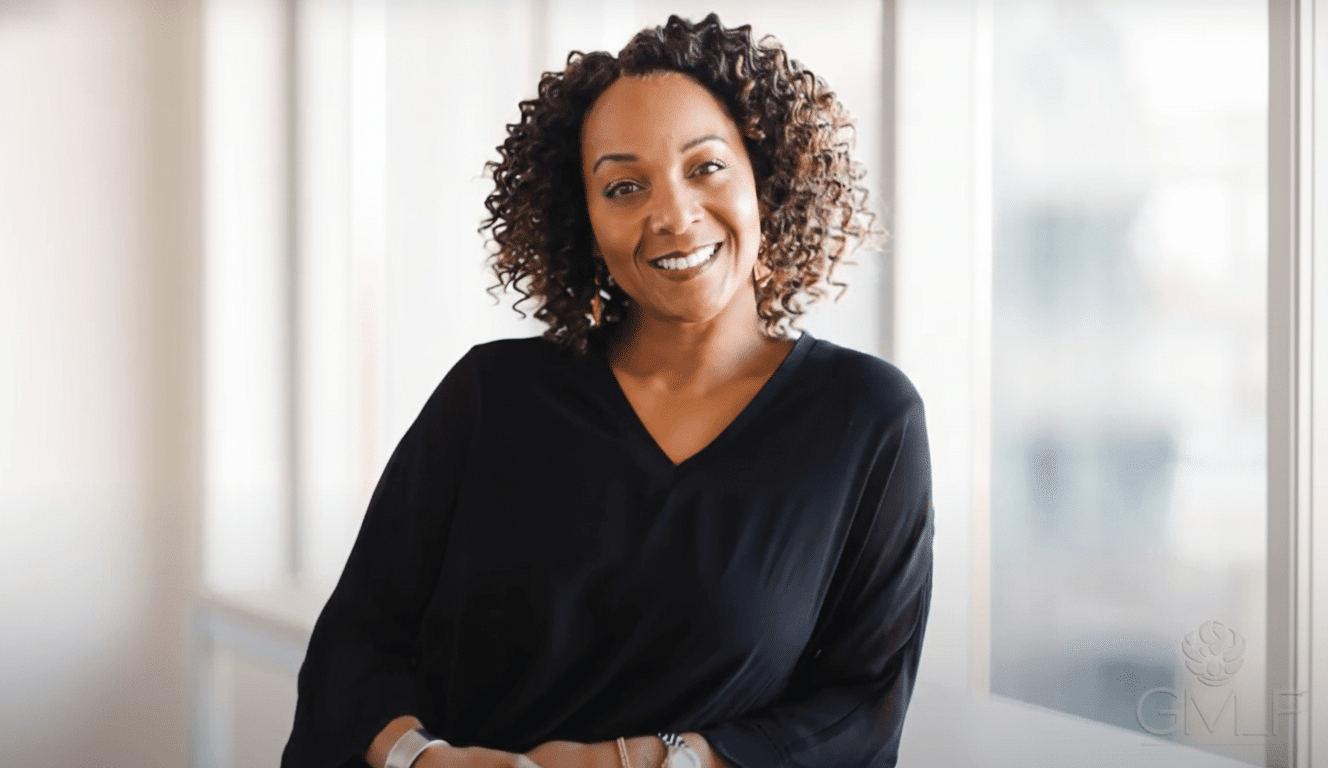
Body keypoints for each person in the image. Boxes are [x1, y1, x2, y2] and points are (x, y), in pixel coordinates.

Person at [281, 13, 933, 768]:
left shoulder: (864, 419)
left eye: (706, 166)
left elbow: (863, 704)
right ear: (585, 221)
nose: (673, 215)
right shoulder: (491, 397)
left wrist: (657, 761)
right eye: (624, 186)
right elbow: (353, 648)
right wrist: (423, 760)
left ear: (766, 176)